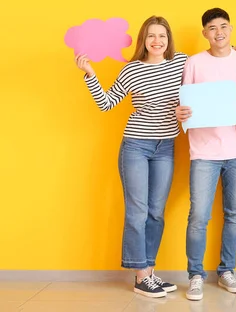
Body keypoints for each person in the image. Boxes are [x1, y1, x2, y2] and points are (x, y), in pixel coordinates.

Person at [74, 15, 185, 298]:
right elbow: (107, 103)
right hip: (135, 145)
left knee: (156, 213)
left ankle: (149, 271)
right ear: (143, 40)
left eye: (162, 35)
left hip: (166, 146)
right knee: (137, 212)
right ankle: (140, 276)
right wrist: (90, 74)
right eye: (151, 36)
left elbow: (208, 75)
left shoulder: (181, 63)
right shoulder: (132, 70)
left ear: (169, 39)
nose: (157, 41)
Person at [176, 8, 236, 301]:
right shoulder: (194, 63)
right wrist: (181, 113)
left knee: (234, 214)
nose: (219, 32)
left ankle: (226, 271)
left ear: (231, 29)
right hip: (204, 151)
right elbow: (184, 103)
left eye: (223, 26)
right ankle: (195, 274)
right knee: (198, 215)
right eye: (212, 28)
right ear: (204, 33)